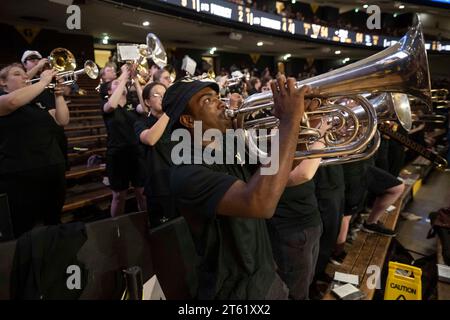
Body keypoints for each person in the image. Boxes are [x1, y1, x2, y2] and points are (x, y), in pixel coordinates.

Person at [168, 75, 313, 299]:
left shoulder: (231, 143)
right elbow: (259, 202)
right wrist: (288, 122)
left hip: (265, 275)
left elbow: (275, 175)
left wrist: (302, 124)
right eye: (207, 100)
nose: (221, 103)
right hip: (233, 291)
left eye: (218, 96)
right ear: (188, 121)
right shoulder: (186, 171)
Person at [0, 63, 69, 237]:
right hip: (21, 175)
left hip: (52, 167)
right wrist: (44, 81)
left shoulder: (36, 102)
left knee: (53, 221)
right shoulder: (3, 99)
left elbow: (62, 120)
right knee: (24, 227)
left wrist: (59, 95)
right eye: (17, 74)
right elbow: (13, 101)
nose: (24, 77)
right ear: (3, 83)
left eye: (25, 74)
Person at [267, 112, 329, 300]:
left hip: (309, 220)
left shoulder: (299, 132)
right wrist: (323, 136)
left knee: (306, 281)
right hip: (292, 228)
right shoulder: (271, 134)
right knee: (295, 291)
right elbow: (302, 175)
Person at [102, 65, 147, 217]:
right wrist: (124, 77)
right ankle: (117, 228)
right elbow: (112, 105)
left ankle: (147, 223)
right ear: (109, 92)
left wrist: (135, 80)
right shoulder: (107, 105)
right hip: (117, 155)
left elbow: (146, 108)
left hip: (136, 153)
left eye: (119, 83)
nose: (119, 84)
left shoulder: (133, 105)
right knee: (119, 196)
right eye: (114, 84)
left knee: (141, 192)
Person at [135, 82, 177, 226]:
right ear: (147, 102)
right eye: (157, 95)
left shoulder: (176, 122)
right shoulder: (141, 123)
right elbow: (150, 139)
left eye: (165, 95)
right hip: (159, 188)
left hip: (180, 183)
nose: (162, 98)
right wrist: (169, 112)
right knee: (163, 233)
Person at [21, 50, 71, 170]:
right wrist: (39, 66)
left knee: (60, 164)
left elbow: (67, 92)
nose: (36, 62)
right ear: (24, 64)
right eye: (32, 60)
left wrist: (61, 82)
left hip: (57, 126)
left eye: (37, 60)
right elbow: (23, 82)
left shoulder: (47, 77)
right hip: (38, 129)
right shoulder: (24, 80)